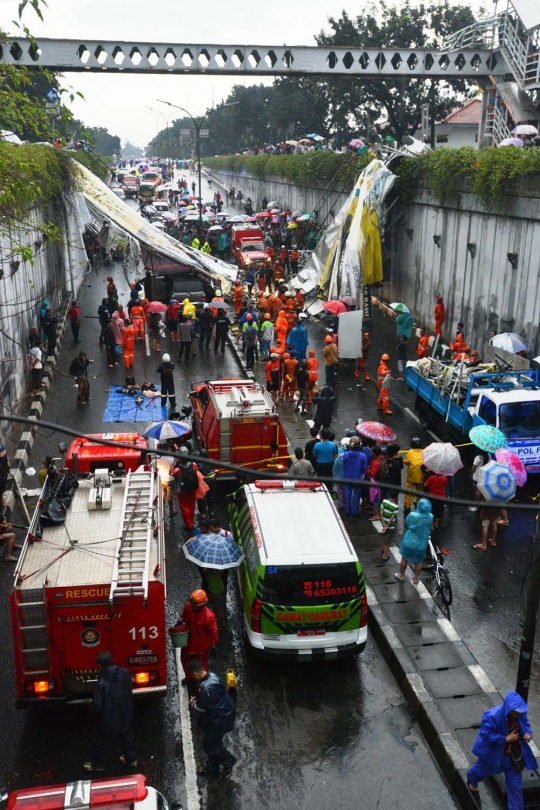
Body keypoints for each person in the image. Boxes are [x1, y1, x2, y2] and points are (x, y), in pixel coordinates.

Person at [467, 691, 537, 807]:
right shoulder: (492, 716)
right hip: (494, 756)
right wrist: (505, 739)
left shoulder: (520, 715)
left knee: (516, 789)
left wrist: (528, 734)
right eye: (516, 713)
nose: (518, 715)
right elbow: (486, 735)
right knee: (481, 771)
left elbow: (525, 724)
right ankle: (472, 777)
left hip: (513, 759)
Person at [84, 650, 137, 772]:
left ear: (100, 666)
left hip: (108, 718)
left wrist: (90, 707)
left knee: (98, 739)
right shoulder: (124, 673)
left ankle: (98, 765)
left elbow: (97, 705)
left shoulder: (101, 683)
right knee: (126, 735)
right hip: (125, 713)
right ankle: (131, 759)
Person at [188, 660, 237, 777]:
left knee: (210, 745)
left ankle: (229, 761)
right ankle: (211, 769)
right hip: (223, 715)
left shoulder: (207, 690)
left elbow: (199, 709)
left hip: (219, 720)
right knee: (214, 743)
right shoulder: (213, 677)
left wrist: (191, 704)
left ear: (195, 673)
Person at [178, 591, 218, 691]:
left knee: (201, 666)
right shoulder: (188, 607)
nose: (191, 604)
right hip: (188, 642)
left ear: (201, 605)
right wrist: (179, 621)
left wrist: (213, 646)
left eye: (193, 603)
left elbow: (213, 632)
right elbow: (183, 615)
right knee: (185, 661)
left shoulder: (209, 616)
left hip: (200, 646)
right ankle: (189, 678)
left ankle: (202, 684)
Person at [394, 498, 433, 585]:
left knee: (404, 558)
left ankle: (401, 575)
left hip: (409, 541)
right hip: (422, 543)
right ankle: (415, 579)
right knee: (419, 561)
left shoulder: (413, 515)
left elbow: (407, 523)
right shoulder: (430, 516)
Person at [171, 447, 200, 531]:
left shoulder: (178, 470)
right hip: (193, 489)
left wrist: (174, 462)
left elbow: (171, 472)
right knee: (192, 505)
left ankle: (189, 525)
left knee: (185, 508)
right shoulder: (194, 465)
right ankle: (191, 520)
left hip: (182, 491)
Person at [342, 437, 369, 517]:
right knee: (357, 494)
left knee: (347, 493)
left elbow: (344, 465)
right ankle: (355, 511)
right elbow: (365, 468)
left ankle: (347, 510)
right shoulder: (363, 456)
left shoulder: (345, 455)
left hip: (347, 477)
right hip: (358, 478)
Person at [367, 446, 388, 521]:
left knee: (375, 499)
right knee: (381, 498)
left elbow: (372, 473)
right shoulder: (382, 458)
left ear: (374, 453)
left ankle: (377, 515)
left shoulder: (375, 462)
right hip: (383, 481)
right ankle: (379, 512)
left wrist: (368, 468)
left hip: (376, 482)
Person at [403, 438, 424, 510]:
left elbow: (405, 462)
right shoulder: (424, 452)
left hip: (411, 476)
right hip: (421, 476)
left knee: (409, 490)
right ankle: (418, 502)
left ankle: (407, 505)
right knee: (420, 490)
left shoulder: (410, 453)